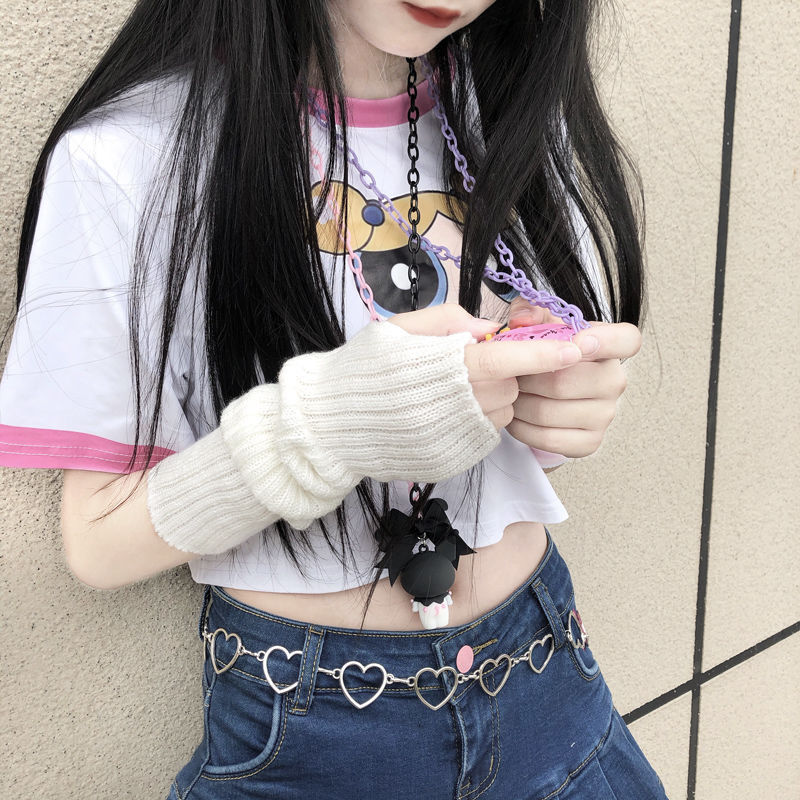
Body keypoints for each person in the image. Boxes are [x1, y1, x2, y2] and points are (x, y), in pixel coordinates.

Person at [0, 1, 668, 797]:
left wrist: (556, 395)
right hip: (314, 728)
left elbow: (518, 417)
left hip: (549, 682)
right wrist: (323, 428)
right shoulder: (131, 155)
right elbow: (99, 541)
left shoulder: (508, 107)